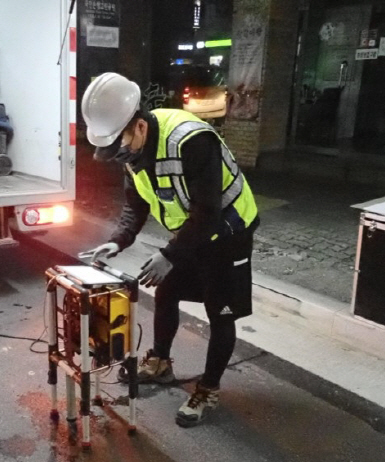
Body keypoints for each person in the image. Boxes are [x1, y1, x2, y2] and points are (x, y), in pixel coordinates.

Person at [79, 73, 259, 427]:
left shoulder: (191, 141)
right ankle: (160, 362)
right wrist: (118, 239)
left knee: (220, 312)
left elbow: (207, 214)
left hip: (228, 232)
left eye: (122, 147)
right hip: (190, 234)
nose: (122, 158)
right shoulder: (131, 151)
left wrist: (169, 255)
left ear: (140, 126)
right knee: (167, 291)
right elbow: (135, 205)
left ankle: (208, 388)